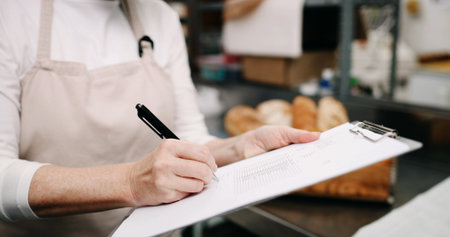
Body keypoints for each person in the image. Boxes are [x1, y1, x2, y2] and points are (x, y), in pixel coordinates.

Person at [0, 0, 320, 236]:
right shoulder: (11, 15)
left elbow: (187, 137)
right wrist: (130, 183)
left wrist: (240, 148)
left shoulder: (160, 17)